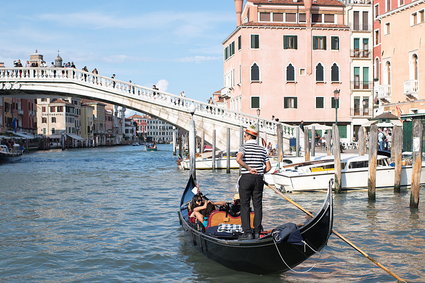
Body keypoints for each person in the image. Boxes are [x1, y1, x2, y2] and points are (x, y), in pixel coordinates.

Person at [236, 124, 271, 240]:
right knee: (258, 206)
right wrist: (260, 172)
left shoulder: (244, 147)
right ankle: (257, 232)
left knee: (245, 206)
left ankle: (247, 233)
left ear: (248, 136)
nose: (244, 138)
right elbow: (269, 167)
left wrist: (249, 168)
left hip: (246, 177)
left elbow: (238, 159)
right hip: (258, 179)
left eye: (245, 136)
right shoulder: (262, 149)